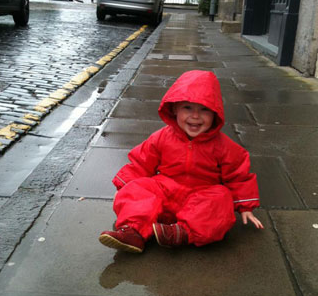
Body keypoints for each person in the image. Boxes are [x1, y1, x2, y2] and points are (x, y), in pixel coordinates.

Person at [99, 70, 263, 254]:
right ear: (175, 108)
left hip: (201, 196)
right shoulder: (161, 137)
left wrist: (245, 207)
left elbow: (238, 176)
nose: (195, 116)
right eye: (187, 108)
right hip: (166, 192)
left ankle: (182, 233)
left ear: (215, 113)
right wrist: (124, 186)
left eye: (204, 109)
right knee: (140, 188)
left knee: (221, 198)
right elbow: (141, 162)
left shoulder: (225, 146)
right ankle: (133, 231)